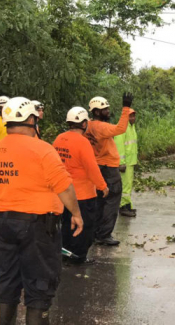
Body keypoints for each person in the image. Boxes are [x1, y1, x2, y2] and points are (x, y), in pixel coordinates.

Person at [0, 97, 83, 325]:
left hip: (1, 225)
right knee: (39, 284)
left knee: (6, 281)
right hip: (36, 227)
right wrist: (76, 213)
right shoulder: (42, 150)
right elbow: (64, 187)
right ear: (31, 119)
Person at [53, 107, 110, 265]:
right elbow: (92, 168)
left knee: (66, 225)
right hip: (83, 195)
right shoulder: (82, 142)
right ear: (84, 123)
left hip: (63, 193)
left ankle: (65, 253)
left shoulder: (59, 139)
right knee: (83, 227)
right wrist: (102, 186)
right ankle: (78, 257)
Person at [85, 93, 133, 246]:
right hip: (109, 168)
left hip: (96, 166)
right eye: (105, 109)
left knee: (99, 200)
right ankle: (105, 234)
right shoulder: (102, 127)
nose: (108, 112)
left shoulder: (88, 125)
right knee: (112, 200)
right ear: (97, 112)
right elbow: (121, 128)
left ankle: (95, 232)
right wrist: (126, 108)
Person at [114, 108, 138, 217]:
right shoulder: (122, 129)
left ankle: (128, 205)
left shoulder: (131, 128)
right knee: (125, 187)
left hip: (130, 162)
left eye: (133, 116)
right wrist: (121, 163)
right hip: (125, 163)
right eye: (130, 116)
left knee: (128, 186)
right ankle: (123, 207)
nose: (133, 118)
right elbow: (119, 147)